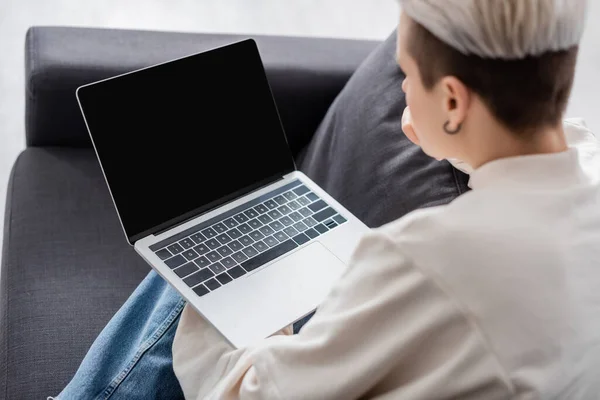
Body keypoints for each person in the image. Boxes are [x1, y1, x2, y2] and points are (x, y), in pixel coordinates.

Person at [54, 0, 600, 398]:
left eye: (406, 74)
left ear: (454, 99)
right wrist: (452, 137)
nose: (402, 89)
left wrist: (232, 294)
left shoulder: (425, 259)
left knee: (197, 239)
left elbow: (255, 394)